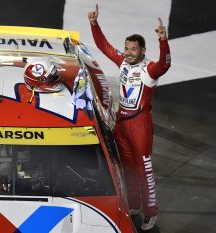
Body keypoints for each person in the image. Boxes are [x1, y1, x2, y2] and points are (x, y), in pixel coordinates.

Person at [88, 4, 171, 231]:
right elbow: (104, 47)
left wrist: (163, 41)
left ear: (142, 50)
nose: (128, 52)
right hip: (121, 123)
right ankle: (134, 205)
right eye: (126, 48)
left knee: (144, 170)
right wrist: (94, 25)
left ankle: (151, 212)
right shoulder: (123, 61)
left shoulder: (149, 69)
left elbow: (165, 65)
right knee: (128, 167)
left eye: (133, 49)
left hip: (140, 124)